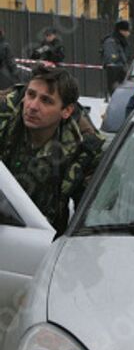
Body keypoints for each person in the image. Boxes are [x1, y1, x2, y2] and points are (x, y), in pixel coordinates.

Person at [0, 64, 104, 235]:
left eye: (46, 100)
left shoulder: (86, 148)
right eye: (31, 94)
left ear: (66, 111)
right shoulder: (4, 114)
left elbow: (90, 217)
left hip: (46, 240)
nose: (33, 106)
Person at [101, 19, 132, 96]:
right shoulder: (112, 41)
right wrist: (121, 65)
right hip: (115, 73)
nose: (129, 33)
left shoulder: (122, 42)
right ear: (121, 31)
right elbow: (111, 58)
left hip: (122, 73)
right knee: (116, 94)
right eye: (127, 30)